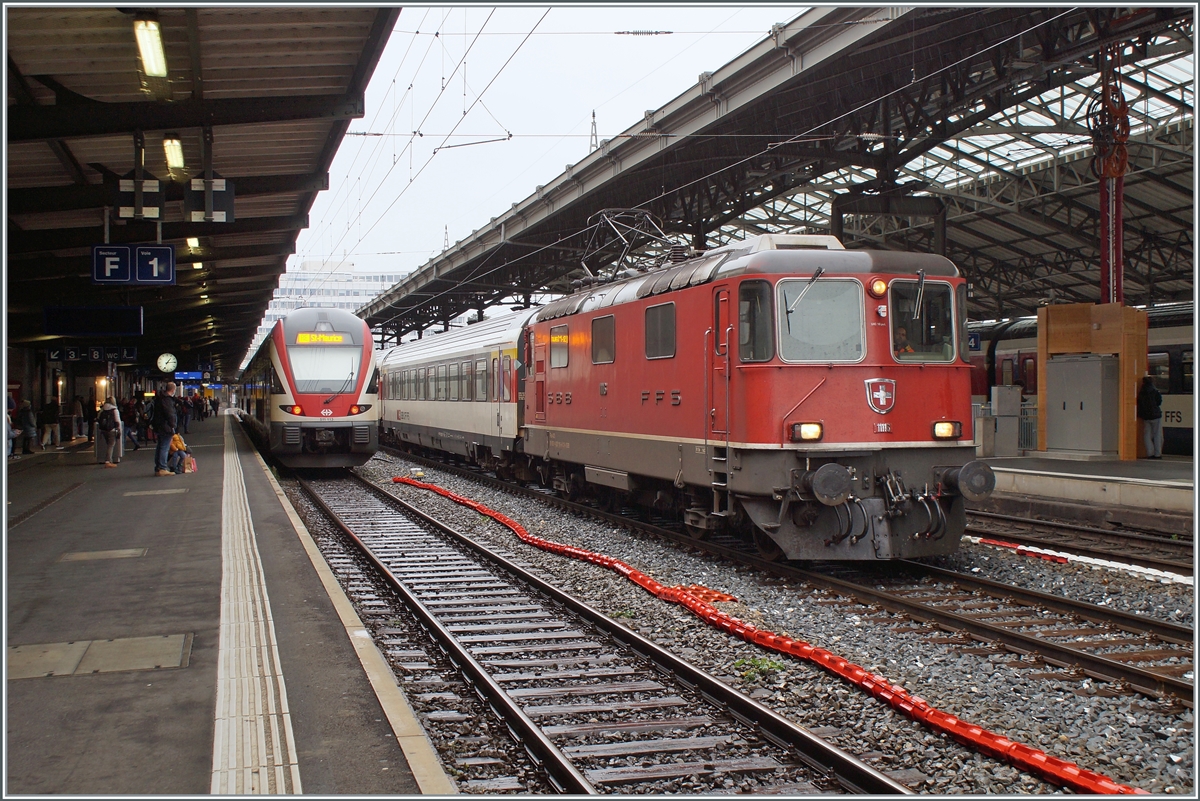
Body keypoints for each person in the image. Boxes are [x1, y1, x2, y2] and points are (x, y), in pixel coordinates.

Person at [152, 383, 179, 476]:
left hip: (159, 426)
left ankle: (158, 468)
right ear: (173, 390)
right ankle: (163, 468)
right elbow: (170, 414)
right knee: (164, 447)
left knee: (160, 446)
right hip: (166, 427)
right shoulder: (167, 400)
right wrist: (173, 425)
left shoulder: (159, 398)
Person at [1137, 374, 1163, 459]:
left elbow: (1139, 404)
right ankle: (1157, 454)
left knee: (1147, 435)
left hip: (1146, 416)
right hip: (1155, 416)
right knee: (1157, 434)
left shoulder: (1141, 392)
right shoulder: (1155, 391)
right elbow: (1159, 402)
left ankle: (1149, 453)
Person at [97, 396, 121, 467]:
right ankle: (107, 461)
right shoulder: (114, 410)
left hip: (104, 429)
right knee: (111, 445)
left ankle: (109, 460)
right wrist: (119, 429)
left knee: (108, 444)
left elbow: (98, 418)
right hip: (112, 429)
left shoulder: (102, 409)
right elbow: (117, 420)